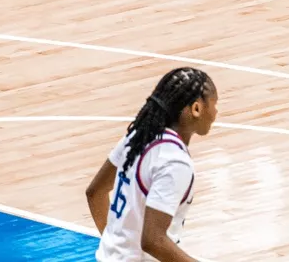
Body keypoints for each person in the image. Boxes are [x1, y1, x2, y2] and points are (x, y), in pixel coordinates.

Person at [84, 68, 219, 262]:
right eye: (214, 104)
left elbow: (94, 193)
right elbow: (153, 240)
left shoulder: (138, 137)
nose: (216, 112)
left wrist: (115, 246)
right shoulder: (175, 162)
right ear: (196, 109)